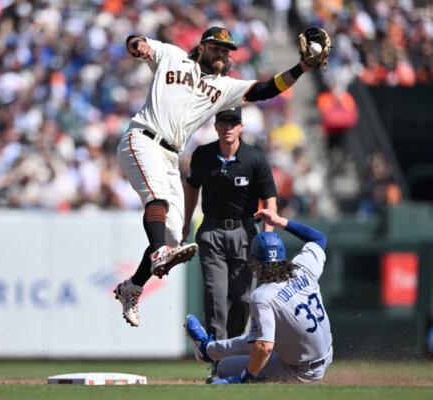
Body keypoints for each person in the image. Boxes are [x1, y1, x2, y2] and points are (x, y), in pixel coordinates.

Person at [114, 25, 319, 328]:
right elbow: (136, 42)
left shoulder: (224, 87)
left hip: (171, 155)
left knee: (172, 238)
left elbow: (265, 89)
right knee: (157, 203)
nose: (223, 53)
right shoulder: (172, 57)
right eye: (217, 47)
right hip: (143, 138)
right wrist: (138, 45)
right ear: (202, 47)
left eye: (227, 50)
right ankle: (157, 253)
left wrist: (301, 68)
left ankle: (131, 287)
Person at [185, 208, 333, 384]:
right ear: (282, 255)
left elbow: (264, 347)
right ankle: (207, 349)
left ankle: (208, 350)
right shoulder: (302, 268)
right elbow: (319, 238)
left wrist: (243, 378)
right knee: (256, 338)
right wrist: (280, 221)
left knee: (224, 366)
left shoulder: (263, 296)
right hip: (326, 354)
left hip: (301, 371)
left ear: (254, 262)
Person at [183, 107, 277, 340]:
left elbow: (270, 202)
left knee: (243, 297)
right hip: (211, 230)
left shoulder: (254, 158)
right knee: (216, 294)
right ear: (215, 126)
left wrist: (267, 238)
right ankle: (217, 355)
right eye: (223, 122)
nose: (227, 127)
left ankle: (233, 349)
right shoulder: (202, 155)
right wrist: (185, 223)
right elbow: (192, 187)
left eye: (233, 122)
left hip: (245, 231)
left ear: (241, 127)